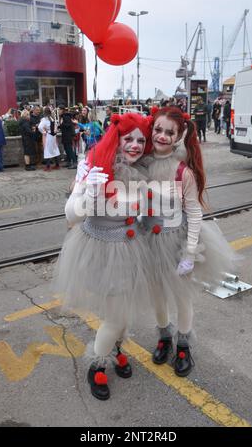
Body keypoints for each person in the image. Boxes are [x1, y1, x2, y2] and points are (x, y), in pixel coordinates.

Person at [53, 113, 155, 401]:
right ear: (117, 138)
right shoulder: (94, 165)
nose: (135, 145)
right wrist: (89, 190)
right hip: (101, 251)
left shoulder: (143, 170)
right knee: (116, 316)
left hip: (131, 250)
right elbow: (71, 215)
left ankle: (117, 349)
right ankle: (97, 365)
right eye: (129, 138)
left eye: (140, 140)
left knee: (122, 313)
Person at [141, 106, 236, 377]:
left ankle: (183, 345)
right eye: (157, 130)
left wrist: (190, 252)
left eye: (168, 132)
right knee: (157, 296)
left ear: (178, 136)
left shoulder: (183, 172)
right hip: (148, 242)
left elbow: (194, 213)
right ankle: (164, 337)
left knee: (182, 297)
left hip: (177, 242)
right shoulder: (142, 164)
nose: (161, 136)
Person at [38, 107, 60, 172]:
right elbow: (56, 126)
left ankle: (48, 166)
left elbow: (40, 127)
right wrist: (55, 131)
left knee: (47, 150)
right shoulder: (52, 118)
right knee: (54, 149)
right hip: (53, 136)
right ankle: (57, 164)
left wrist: (44, 132)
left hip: (48, 136)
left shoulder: (44, 119)